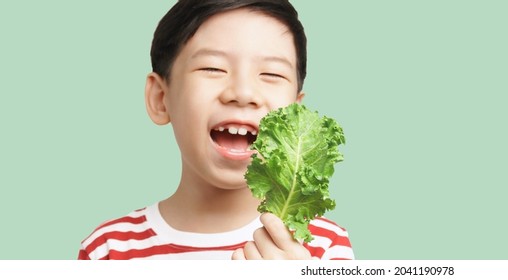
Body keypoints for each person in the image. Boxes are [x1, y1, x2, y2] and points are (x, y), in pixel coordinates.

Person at [78, 0, 354, 260]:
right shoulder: (108, 249)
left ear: (296, 115)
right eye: (212, 68)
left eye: (271, 74)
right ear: (161, 99)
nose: (243, 93)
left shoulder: (324, 247)